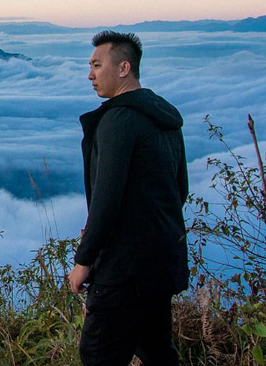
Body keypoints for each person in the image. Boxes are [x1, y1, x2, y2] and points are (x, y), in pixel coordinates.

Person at [67, 30, 189, 366]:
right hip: (161, 260)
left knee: (98, 354)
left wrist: (84, 260)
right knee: (157, 351)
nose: (90, 75)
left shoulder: (118, 121)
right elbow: (180, 189)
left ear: (123, 68)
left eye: (96, 65)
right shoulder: (164, 118)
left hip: (124, 270)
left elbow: (107, 200)